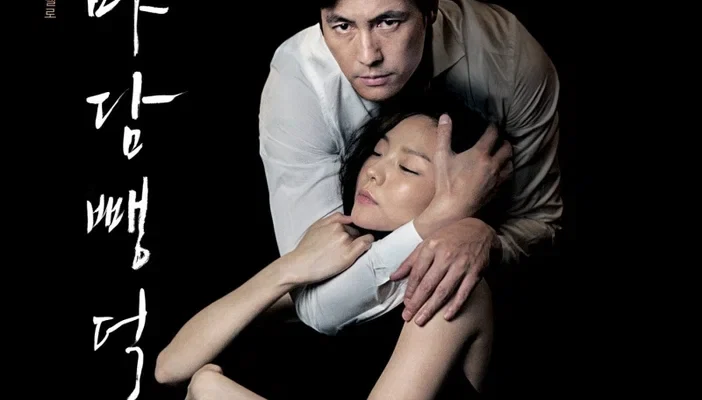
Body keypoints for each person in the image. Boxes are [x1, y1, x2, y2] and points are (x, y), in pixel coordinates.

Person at [155, 97, 500, 399]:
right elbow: (170, 367)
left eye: (408, 168)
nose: (375, 172)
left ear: (463, 194)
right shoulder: (349, 254)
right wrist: (291, 267)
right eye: (377, 152)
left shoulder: (453, 284)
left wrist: (217, 393)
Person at [258, 0, 562, 332]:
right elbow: (315, 303)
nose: (368, 56)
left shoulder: (506, 57)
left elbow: (539, 221)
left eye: (388, 22)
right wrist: (444, 214)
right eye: (342, 25)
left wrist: (488, 240)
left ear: (430, 10)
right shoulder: (301, 84)